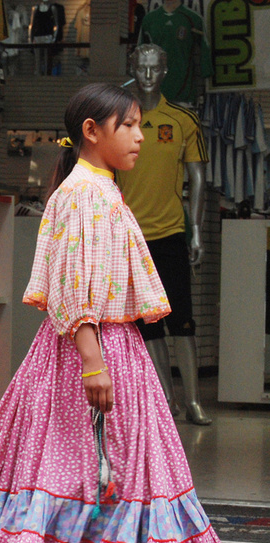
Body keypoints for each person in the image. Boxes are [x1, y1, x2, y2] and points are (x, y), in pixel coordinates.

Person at [0, 82, 228, 543]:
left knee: (103, 481)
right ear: (93, 131)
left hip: (108, 349)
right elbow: (71, 285)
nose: (140, 136)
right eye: (129, 125)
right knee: (88, 477)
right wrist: (93, 363)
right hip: (90, 353)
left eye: (140, 125)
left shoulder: (99, 190)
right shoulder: (83, 195)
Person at [116, 43, 212, 425]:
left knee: (182, 321)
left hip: (171, 233)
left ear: (166, 71)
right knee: (148, 325)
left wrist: (197, 233)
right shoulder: (119, 119)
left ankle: (193, 401)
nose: (148, 76)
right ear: (133, 69)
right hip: (131, 238)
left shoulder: (183, 120)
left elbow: (198, 178)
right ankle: (166, 401)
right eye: (141, 68)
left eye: (155, 68)